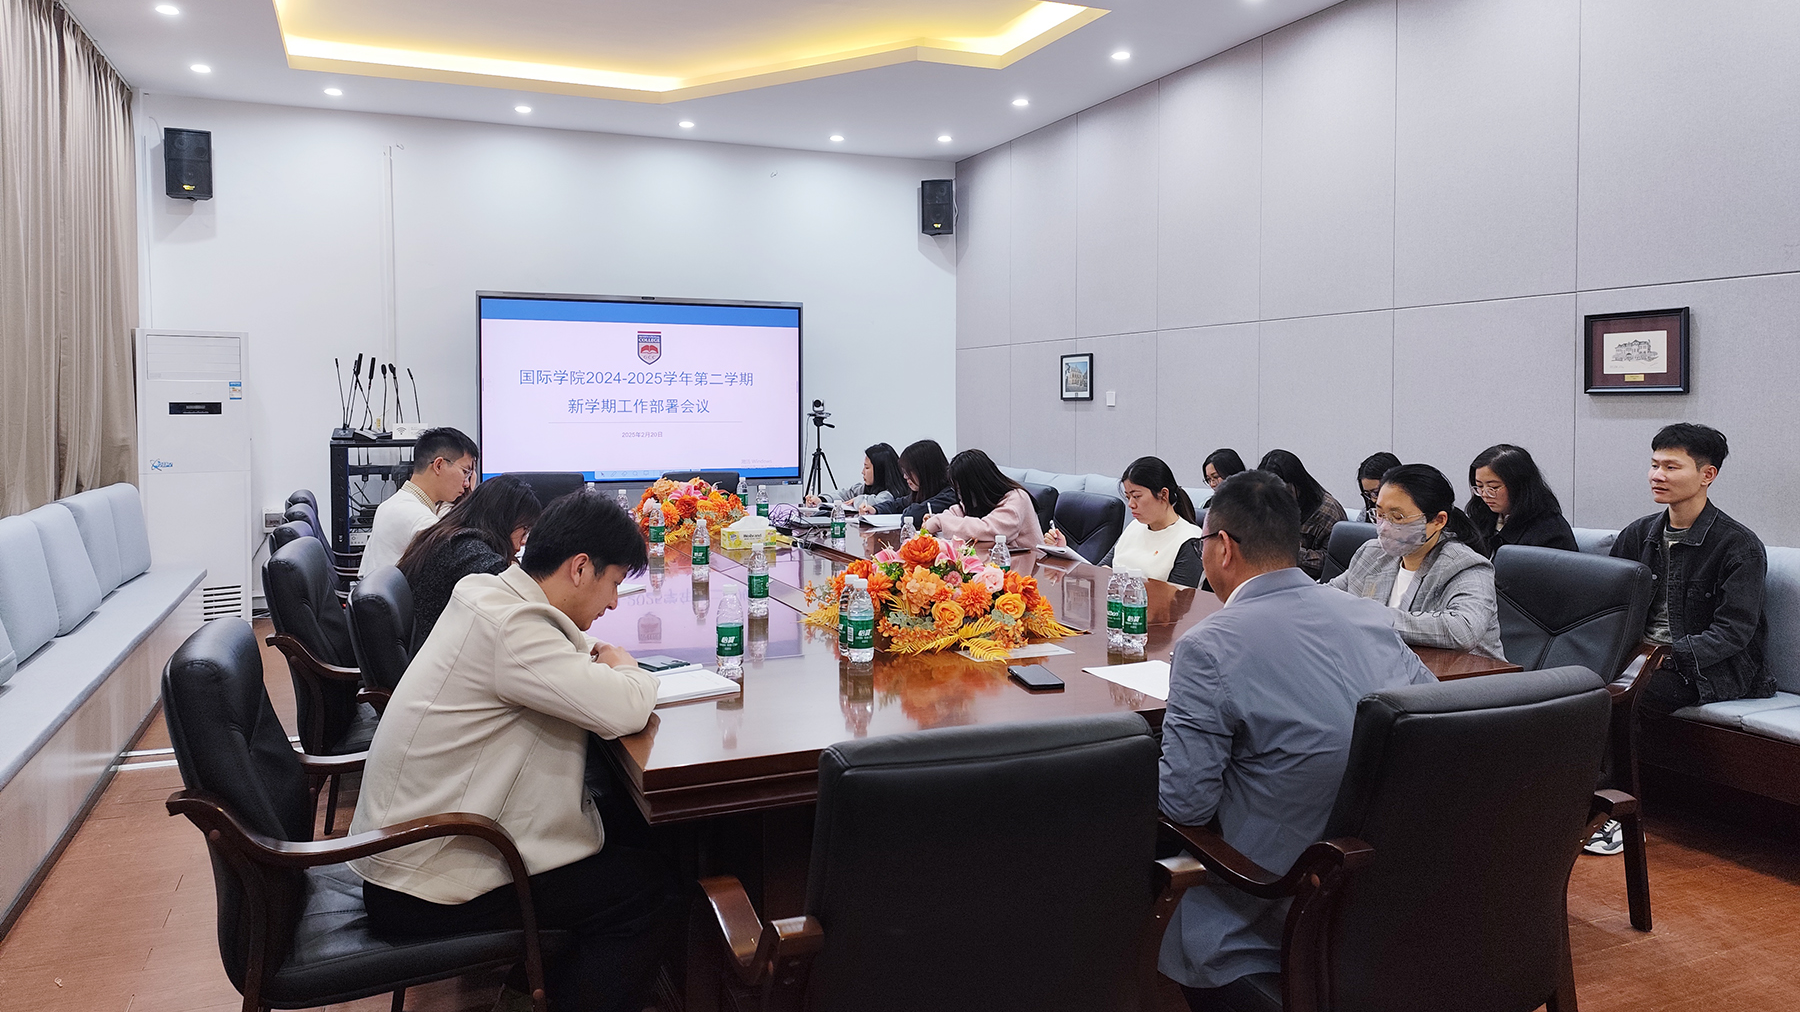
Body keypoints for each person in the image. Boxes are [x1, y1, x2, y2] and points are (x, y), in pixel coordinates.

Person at [350, 489, 681, 1012]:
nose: (615, 603)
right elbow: (624, 708)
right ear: (580, 568)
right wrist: (626, 666)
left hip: (415, 850)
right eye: (615, 583)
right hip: (426, 881)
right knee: (649, 893)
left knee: (630, 831)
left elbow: (560, 652)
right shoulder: (513, 628)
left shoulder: (490, 592)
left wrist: (593, 654)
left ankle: (523, 997)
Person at [1159, 470, 1435, 1004]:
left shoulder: (1208, 646)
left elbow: (1184, 804)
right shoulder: (1370, 617)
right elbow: (1432, 724)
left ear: (1223, 548)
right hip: (1392, 895)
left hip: (1278, 905)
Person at [1328, 464, 1505, 660]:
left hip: (1462, 675)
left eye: (1397, 517)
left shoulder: (1466, 565)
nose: (1384, 527)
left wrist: (1372, 616)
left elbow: (1463, 629)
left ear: (1438, 521)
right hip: (1384, 667)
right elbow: (1327, 597)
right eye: (1380, 514)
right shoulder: (1372, 553)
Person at [395, 474, 542, 652]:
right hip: (436, 653)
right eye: (524, 529)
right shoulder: (466, 549)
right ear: (504, 520)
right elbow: (515, 597)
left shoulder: (451, 535)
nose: (524, 540)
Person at [1045, 456, 1204, 586]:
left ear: (1163, 494)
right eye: (1128, 497)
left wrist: (1121, 582)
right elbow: (1101, 570)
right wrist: (1064, 551)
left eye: (1137, 496)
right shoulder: (1135, 526)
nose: (1131, 504)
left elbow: (1179, 602)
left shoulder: (1189, 539)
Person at [358, 427, 479, 577]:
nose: (467, 483)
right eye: (465, 472)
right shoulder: (419, 519)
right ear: (438, 465)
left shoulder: (393, 504)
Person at [1464, 444, 1577, 557]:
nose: (1484, 494)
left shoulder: (1550, 531)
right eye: (1479, 486)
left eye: (1493, 487)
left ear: (1519, 485)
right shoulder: (1482, 516)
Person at [1256, 449, 1346, 580]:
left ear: (1298, 485)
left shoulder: (1327, 512)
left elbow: (1334, 565)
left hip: (1309, 583)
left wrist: (1287, 552)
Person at [926, 448, 1043, 547]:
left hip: (1031, 565)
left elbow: (989, 529)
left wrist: (940, 521)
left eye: (961, 490)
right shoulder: (980, 499)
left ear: (976, 485)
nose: (960, 495)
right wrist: (936, 519)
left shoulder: (1017, 498)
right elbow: (956, 512)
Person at [866, 438, 958, 523]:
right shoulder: (924, 492)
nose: (905, 477)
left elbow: (912, 515)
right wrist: (876, 509)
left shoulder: (951, 495)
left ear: (925, 471)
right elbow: (897, 505)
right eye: (904, 472)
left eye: (909, 471)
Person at [805, 442, 908, 511]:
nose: (862, 472)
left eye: (867, 468)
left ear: (880, 470)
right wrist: (822, 499)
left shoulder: (895, 493)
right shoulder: (866, 488)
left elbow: (876, 501)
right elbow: (846, 493)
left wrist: (857, 500)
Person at [1355, 451, 1401, 523]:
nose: (1373, 500)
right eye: (1367, 494)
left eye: (1376, 493)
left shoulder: (1413, 513)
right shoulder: (1368, 513)